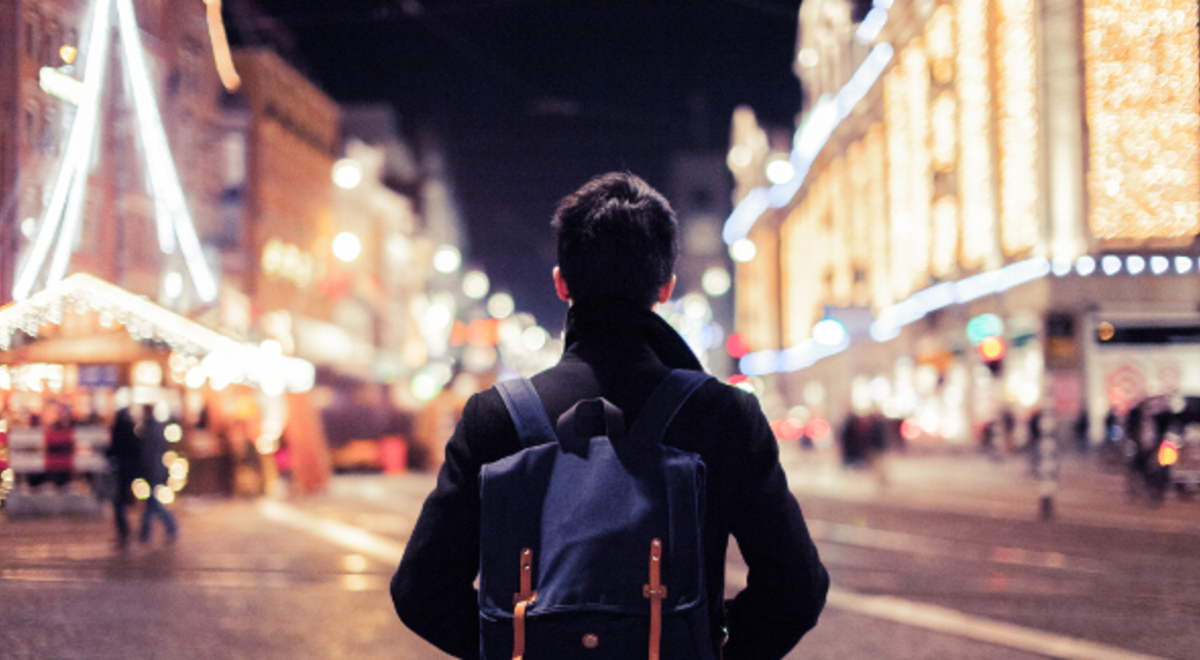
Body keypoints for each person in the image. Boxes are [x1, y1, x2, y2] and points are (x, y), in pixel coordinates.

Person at [391, 172, 829, 659]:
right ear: (664, 287)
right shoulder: (725, 416)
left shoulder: (494, 419)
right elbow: (797, 590)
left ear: (561, 284)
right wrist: (712, 646)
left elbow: (419, 590)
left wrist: (513, 645)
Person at [136, 403, 178, 543]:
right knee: (150, 503)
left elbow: (150, 453)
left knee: (153, 503)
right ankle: (145, 531)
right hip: (156, 469)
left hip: (152, 470)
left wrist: (146, 468)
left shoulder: (150, 428)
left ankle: (168, 526)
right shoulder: (155, 427)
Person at [106, 407, 141, 548]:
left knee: (118, 503)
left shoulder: (117, 430)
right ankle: (126, 530)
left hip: (119, 471)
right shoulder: (131, 431)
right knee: (123, 501)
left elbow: (112, 450)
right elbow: (137, 452)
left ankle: (123, 530)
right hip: (128, 472)